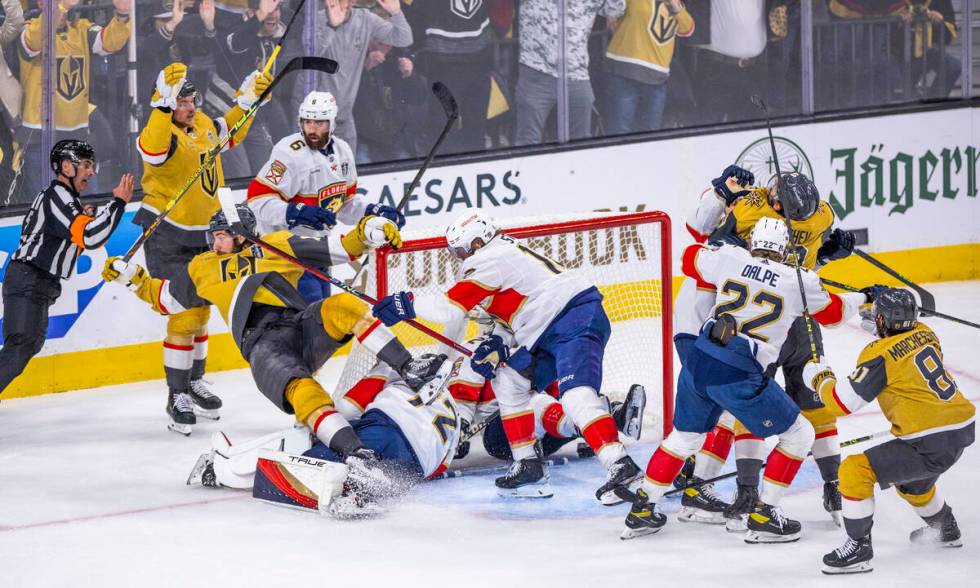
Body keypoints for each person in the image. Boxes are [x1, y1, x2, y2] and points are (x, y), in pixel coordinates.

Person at [621, 217, 872, 542]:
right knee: (799, 434)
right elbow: (836, 315)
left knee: (684, 438)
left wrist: (722, 244)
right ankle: (764, 514)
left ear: (753, 242)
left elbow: (688, 259)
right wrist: (866, 297)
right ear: (785, 248)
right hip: (740, 372)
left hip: (699, 359)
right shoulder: (799, 280)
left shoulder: (731, 258)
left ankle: (642, 509)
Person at [102, 203, 446, 441]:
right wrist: (131, 277)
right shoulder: (203, 266)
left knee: (345, 305)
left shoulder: (276, 245)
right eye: (213, 236)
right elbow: (166, 300)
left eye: (221, 235)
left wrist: (368, 231)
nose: (214, 242)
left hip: (300, 327)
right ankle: (352, 451)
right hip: (262, 345)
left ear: (241, 235)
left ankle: (412, 368)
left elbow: (341, 246)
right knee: (305, 390)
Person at [371, 212, 643, 503]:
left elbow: (449, 310)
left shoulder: (490, 259)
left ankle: (620, 465)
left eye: (461, 250)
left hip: (571, 318)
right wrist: (497, 343)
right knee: (508, 379)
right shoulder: (503, 255)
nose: (460, 258)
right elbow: (514, 315)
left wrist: (406, 303)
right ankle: (529, 465)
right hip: (543, 328)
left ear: (477, 242)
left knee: (575, 395)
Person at [708, 170, 856, 528]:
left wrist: (829, 253)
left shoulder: (820, 213)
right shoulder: (748, 206)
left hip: (775, 318)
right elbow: (716, 244)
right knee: (791, 397)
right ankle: (752, 488)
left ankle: (828, 484)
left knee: (795, 400)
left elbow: (714, 252)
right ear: (775, 200)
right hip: (787, 307)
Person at [133, 61, 271, 433]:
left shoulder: (204, 125)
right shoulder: (157, 129)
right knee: (183, 312)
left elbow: (232, 132)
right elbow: (155, 151)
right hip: (168, 232)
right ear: (164, 103)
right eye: (182, 102)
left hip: (206, 234)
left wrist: (249, 100)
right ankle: (176, 392)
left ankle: (194, 380)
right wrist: (163, 105)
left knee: (201, 311)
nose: (191, 107)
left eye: (192, 100)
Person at [805, 288, 975, 574]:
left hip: (928, 440)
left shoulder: (878, 355)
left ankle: (858, 548)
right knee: (912, 482)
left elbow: (840, 404)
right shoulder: (926, 332)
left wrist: (820, 377)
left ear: (882, 321)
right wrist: (883, 322)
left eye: (876, 317)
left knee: (854, 470)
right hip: (960, 431)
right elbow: (905, 350)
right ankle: (944, 529)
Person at [188, 355, 460, 511]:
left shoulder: (393, 371)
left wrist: (322, 425)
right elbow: (440, 468)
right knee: (361, 466)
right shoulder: (453, 412)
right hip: (413, 467)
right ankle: (357, 490)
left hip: (385, 429)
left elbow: (346, 408)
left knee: (314, 454)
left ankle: (223, 469)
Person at [246, 90, 404, 303]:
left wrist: (372, 212)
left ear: (331, 123)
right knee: (312, 315)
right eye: (307, 122)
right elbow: (257, 201)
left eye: (319, 123)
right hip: (288, 255)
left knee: (321, 316)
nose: (312, 129)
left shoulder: (343, 151)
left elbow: (344, 204)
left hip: (319, 252)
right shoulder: (288, 154)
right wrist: (296, 212)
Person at [0, 141, 134, 394]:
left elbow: (84, 239)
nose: (91, 172)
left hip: (37, 282)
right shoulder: (57, 196)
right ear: (66, 167)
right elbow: (90, 236)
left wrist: (93, 217)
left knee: (27, 346)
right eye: (85, 165)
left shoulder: (65, 200)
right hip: (29, 279)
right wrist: (117, 203)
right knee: (20, 347)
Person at [16, 0, 132, 201]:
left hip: (77, 140)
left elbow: (110, 42)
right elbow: (34, 42)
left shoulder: (82, 30)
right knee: (49, 208)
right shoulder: (29, 29)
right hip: (40, 141)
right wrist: (61, 7)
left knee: (86, 207)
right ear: (42, 3)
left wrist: (122, 14)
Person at [300, 0, 412, 153]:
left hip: (345, 116)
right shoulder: (317, 20)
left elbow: (404, 39)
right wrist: (332, 26)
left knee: (347, 171)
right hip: (314, 116)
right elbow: (310, 56)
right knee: (316, 169)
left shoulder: (365, 18)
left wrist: (396, 13)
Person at [515, 0, 624, 145]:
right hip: (536, 71)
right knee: (528, 141)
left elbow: (616, 8)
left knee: (580, 142)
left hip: (576, 75)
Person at [403, 0, 494, 154]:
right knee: (442, 132)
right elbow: (414, 15)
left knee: (476, 130)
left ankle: (474, 170)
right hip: (443, 66)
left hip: (480, 62)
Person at [603, 0, 693, 135]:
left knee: (650, 135)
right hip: (625, 73)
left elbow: (688, 29)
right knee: (620, 133)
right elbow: (611, 13)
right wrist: (612, 15)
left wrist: (676, 7)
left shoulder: (676, 4)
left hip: (657, 79)